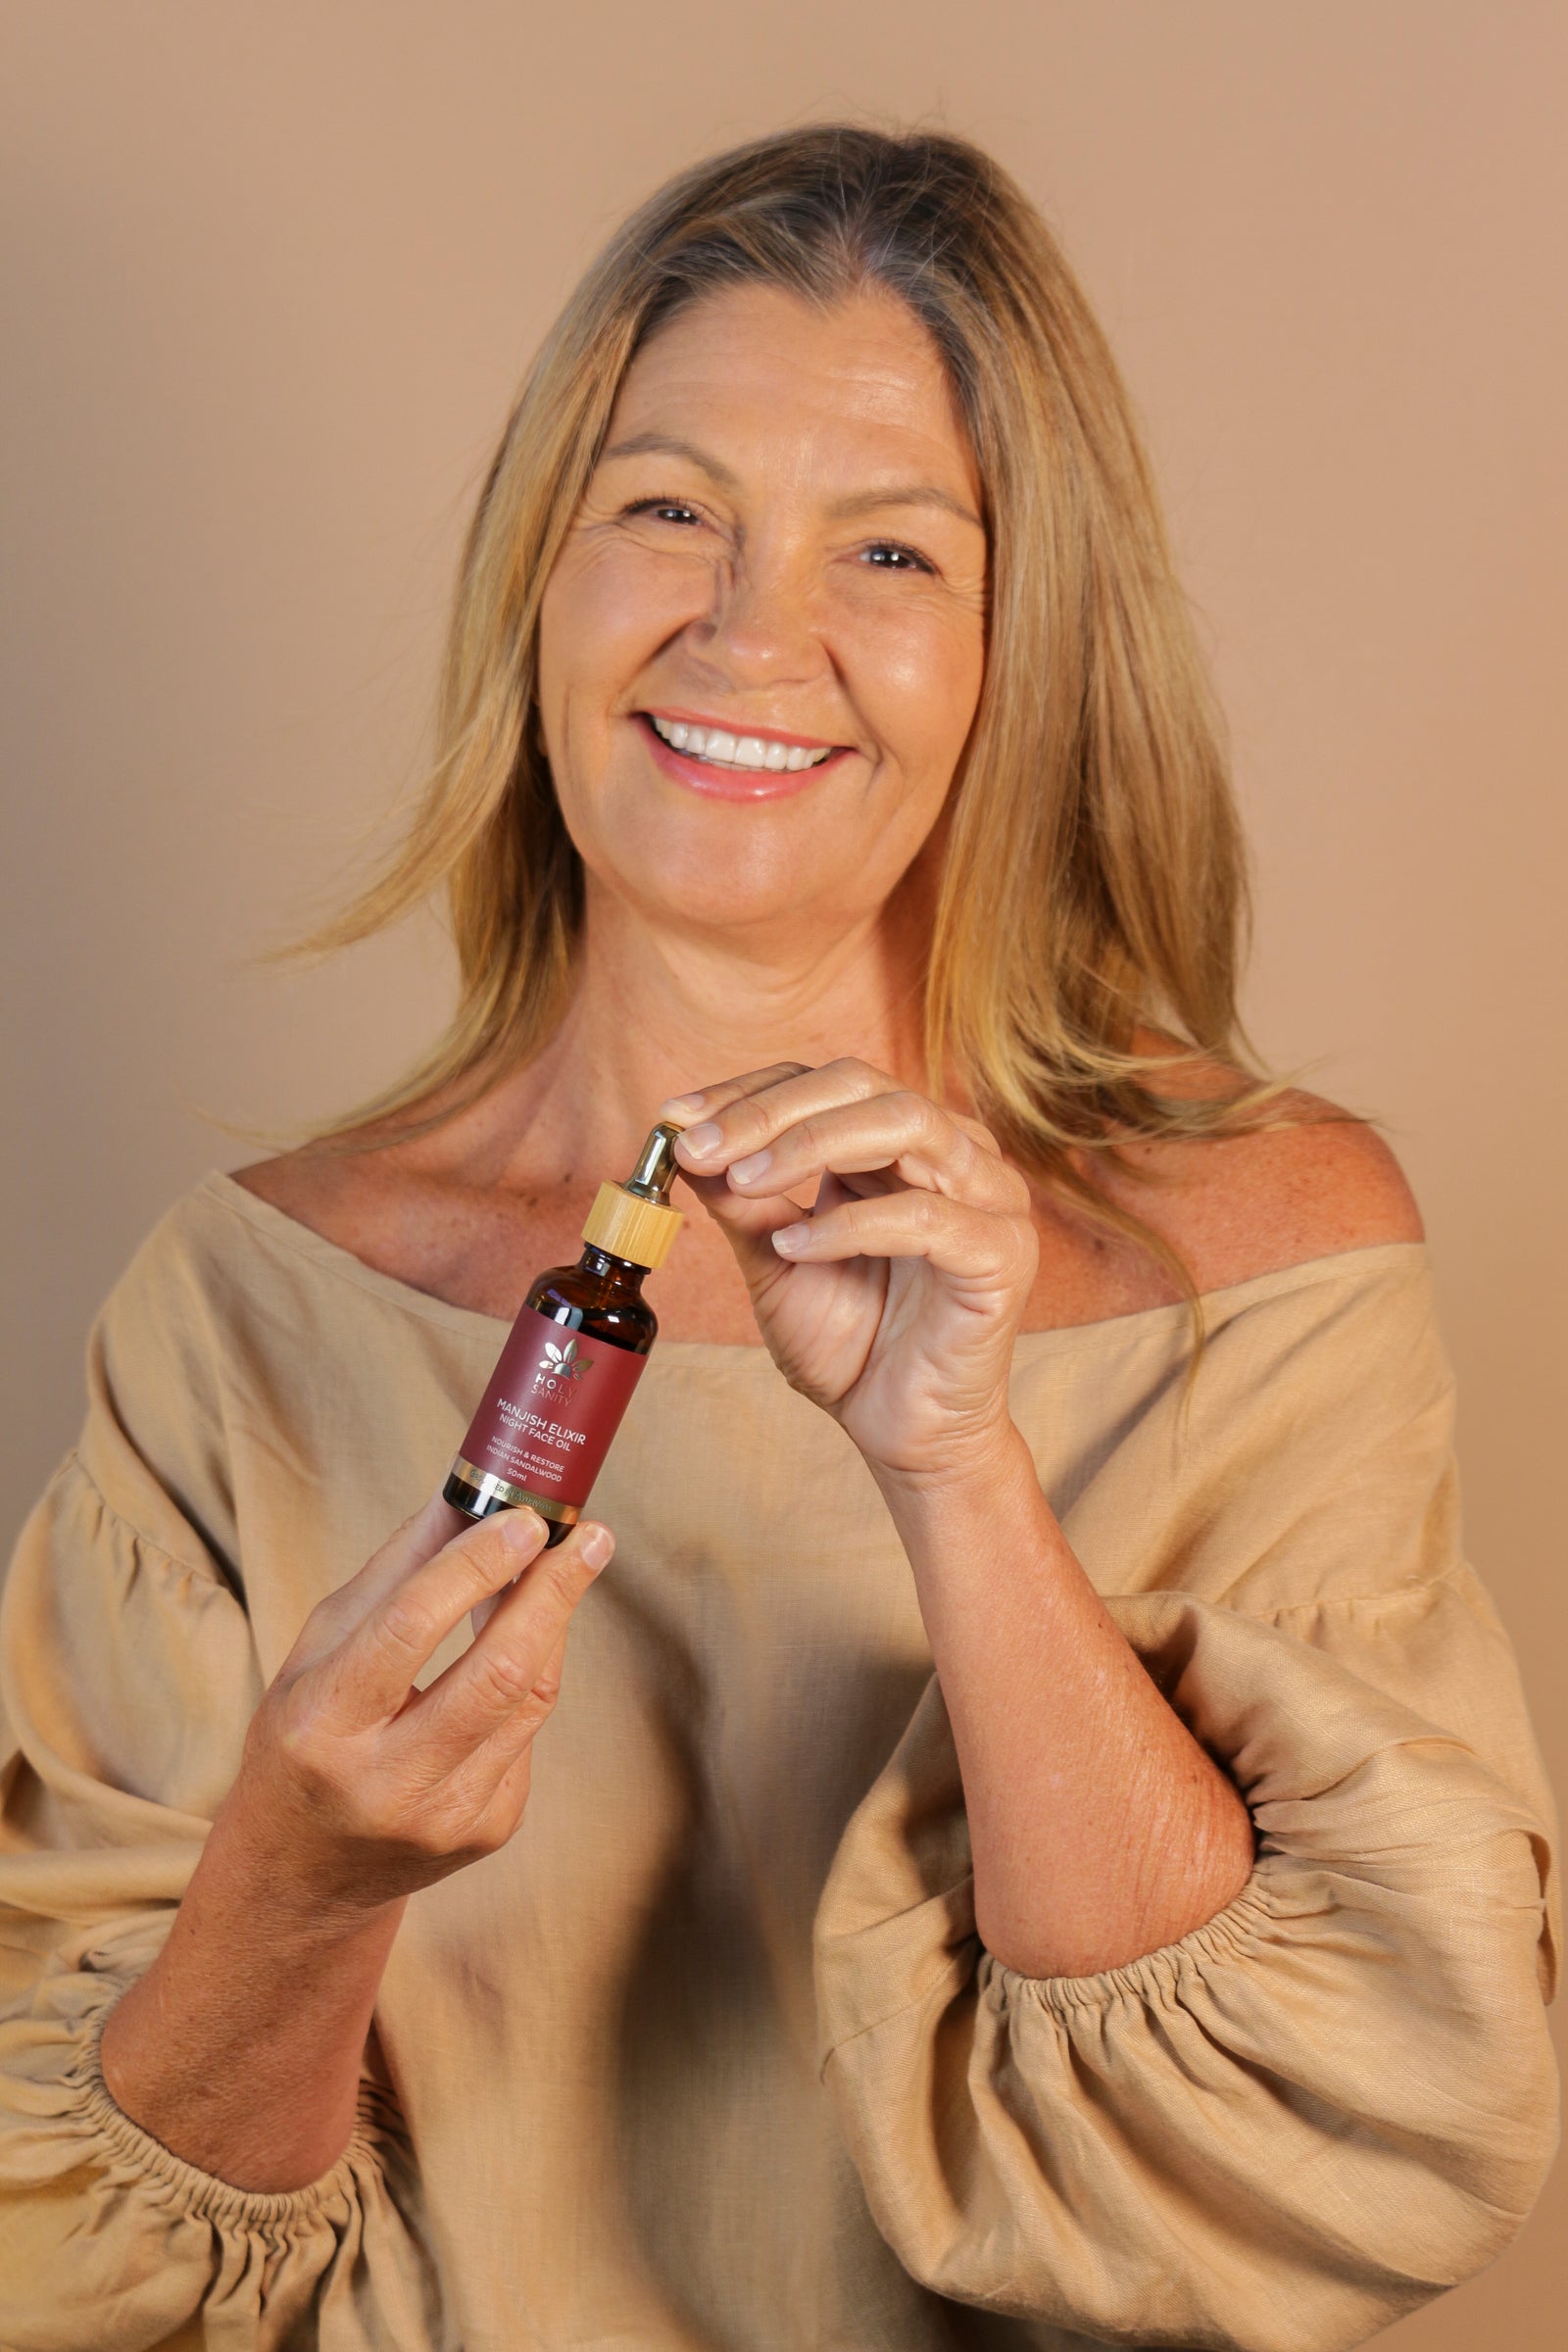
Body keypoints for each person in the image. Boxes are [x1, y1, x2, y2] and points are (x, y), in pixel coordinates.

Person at [0, 124, 1555, 2352]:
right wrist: (296, 1883)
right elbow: (76, 2277)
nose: (749, 631)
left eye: (892, 552)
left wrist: (953, 1467)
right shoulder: (248, 1311)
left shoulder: (1269, 1252)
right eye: (665, 510)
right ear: (537, 571)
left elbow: (1322, 2159)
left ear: (1027, 643)